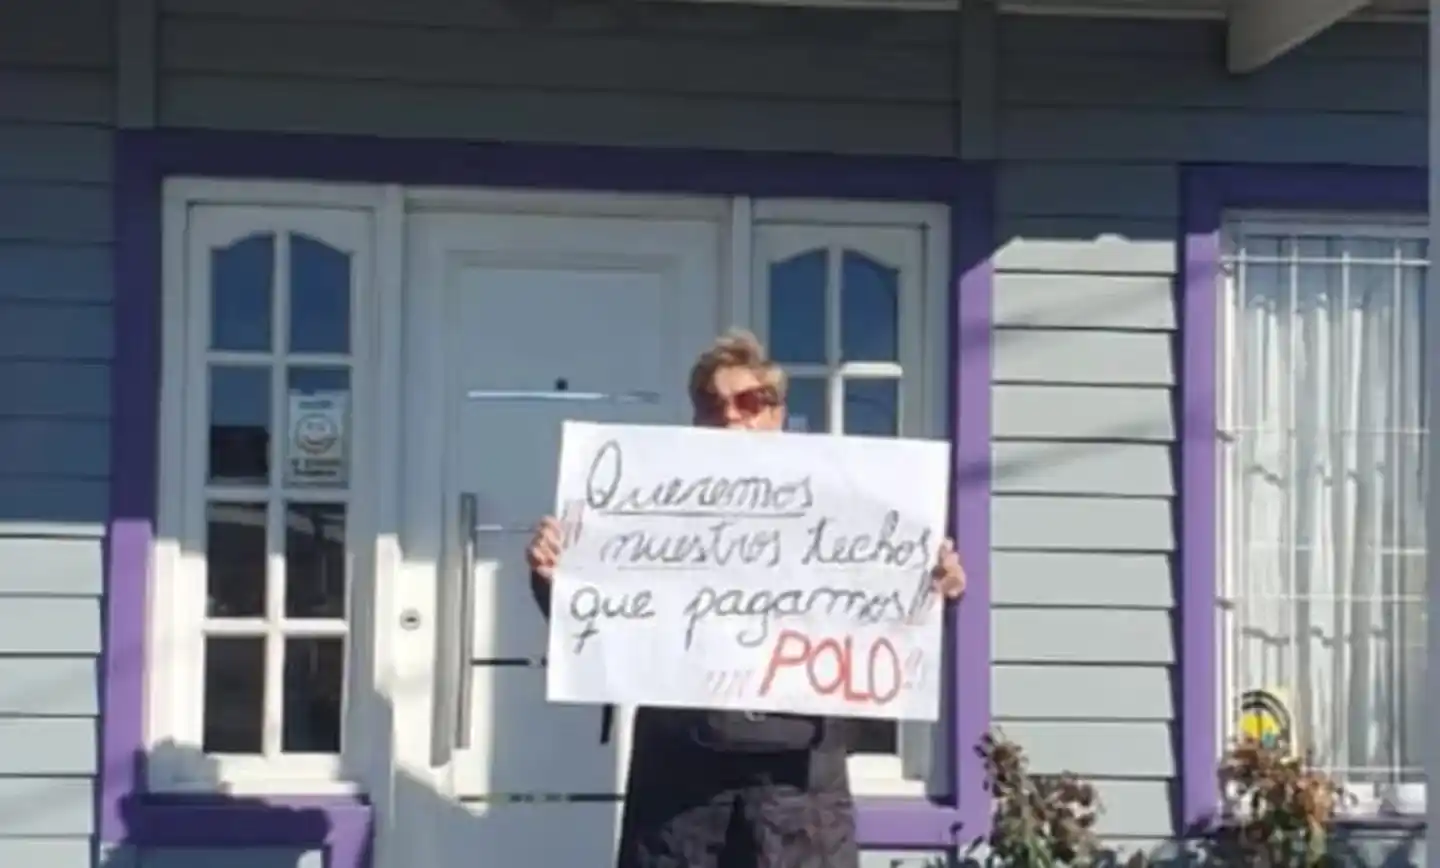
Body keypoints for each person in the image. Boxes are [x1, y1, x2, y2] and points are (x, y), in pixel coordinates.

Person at [525, 328, 967, 868]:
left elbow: (886, 621)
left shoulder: (842, 504)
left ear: (778, 413)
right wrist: (556, 581)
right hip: (680, 786)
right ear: (695, 419)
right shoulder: (647, 505)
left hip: (797, 786)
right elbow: (603, 624)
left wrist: (934, 587)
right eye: (713, 404)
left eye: (751, 401)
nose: (732, 415)